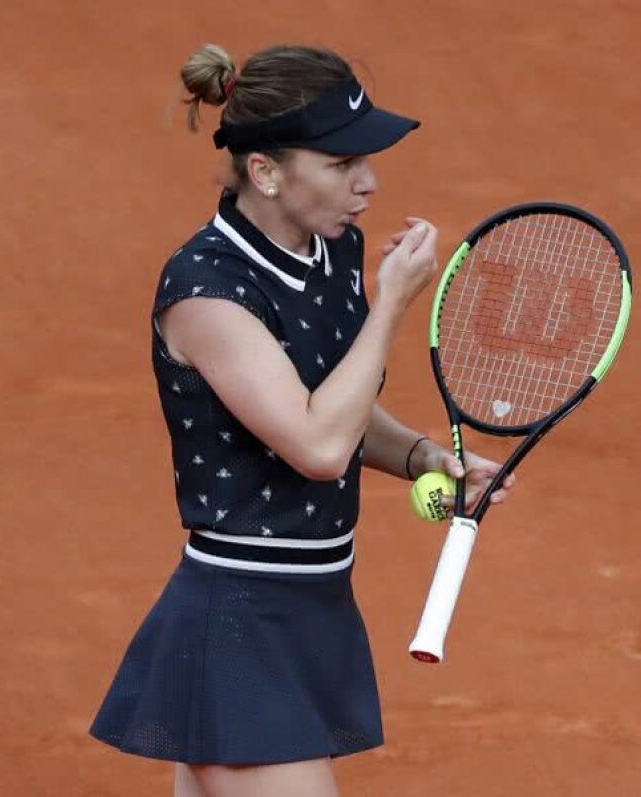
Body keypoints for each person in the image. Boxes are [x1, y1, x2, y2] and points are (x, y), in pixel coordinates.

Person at [89, 43, 516, 797]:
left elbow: (332, 403)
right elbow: (318, 445)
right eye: (341, 163)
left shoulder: (331, 249)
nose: (368, 182)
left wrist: (422, 456)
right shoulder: (206, 290)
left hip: (313, 603)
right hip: (238, 622)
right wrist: (389, 306)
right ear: (266, 172)